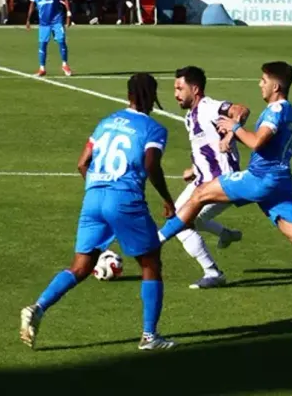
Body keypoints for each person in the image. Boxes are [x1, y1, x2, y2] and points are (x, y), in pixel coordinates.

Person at [156, 62, 292, 301]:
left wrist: (234, 128)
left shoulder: (276, 110)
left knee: (200, 194)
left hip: (260, 178)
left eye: (263, 81)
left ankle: (157, 241)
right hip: (279, 182)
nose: (260, 85)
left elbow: (257, 142)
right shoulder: (287, 110)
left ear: (275, 86)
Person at [20, 73, 176, 351]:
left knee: (80, 266)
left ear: (128, 95)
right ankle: (150, 336)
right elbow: (152, 164)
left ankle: (38, 307)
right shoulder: (153, 129)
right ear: (152, 96)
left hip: (93, 197)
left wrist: (98, 188)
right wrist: (166, 198)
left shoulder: (106, 123)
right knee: (151, 264)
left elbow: (82, 163)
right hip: (125, 198)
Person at [162, 66, 246, 289]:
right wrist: (194, 168)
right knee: (187, 220)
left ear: (195, 89)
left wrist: (230, 134)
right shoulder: (190, 117)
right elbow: (207, 148)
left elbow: (241, 110)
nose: (176, 94)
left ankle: (213, 272)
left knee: (181, 223)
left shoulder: (209, 107)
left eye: (180, 88)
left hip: (222, 183)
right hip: (203, 181)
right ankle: (225, 234)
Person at [26, 0, 73, 77]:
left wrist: (68, 14)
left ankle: (64, 64)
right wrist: (28, 19)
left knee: (61, 41)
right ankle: (42, 68)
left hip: (57, 19)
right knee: (43, 44)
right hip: (44, 22)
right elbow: (32, 3)